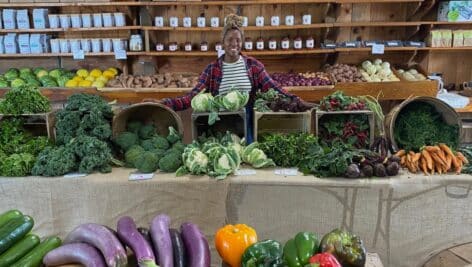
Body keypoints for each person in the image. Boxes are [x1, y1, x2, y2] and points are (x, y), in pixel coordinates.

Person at [161, 13, 313, 143]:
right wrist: (166, 104)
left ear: (242, 42)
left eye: (238, 40)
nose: (234, 44)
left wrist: (297, 100)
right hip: (220, 126)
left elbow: (274, 89)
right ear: (222, 42)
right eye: (229, 40)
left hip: (247, 124)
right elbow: (192, 96)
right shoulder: (212, 70)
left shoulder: (254, 66)